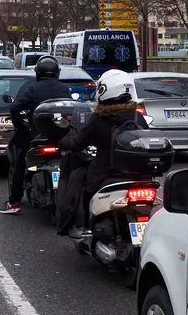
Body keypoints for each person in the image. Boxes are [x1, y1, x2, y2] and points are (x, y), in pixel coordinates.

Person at [58, 69, 148, 238]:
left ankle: (82, 226)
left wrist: (64, 141)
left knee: (81, 186)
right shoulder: (137, 116)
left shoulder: (99, 118)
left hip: (105, 171)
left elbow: (78, 144)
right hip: (138, 173)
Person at [0, 56, 73, 214]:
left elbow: (14, 107)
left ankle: (14, 203)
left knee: (20, 163)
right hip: (63, 135)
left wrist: (21, 127)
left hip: (39, 136)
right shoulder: (64, 88)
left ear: (38, 73)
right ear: (57, 73)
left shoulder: (33, 89)